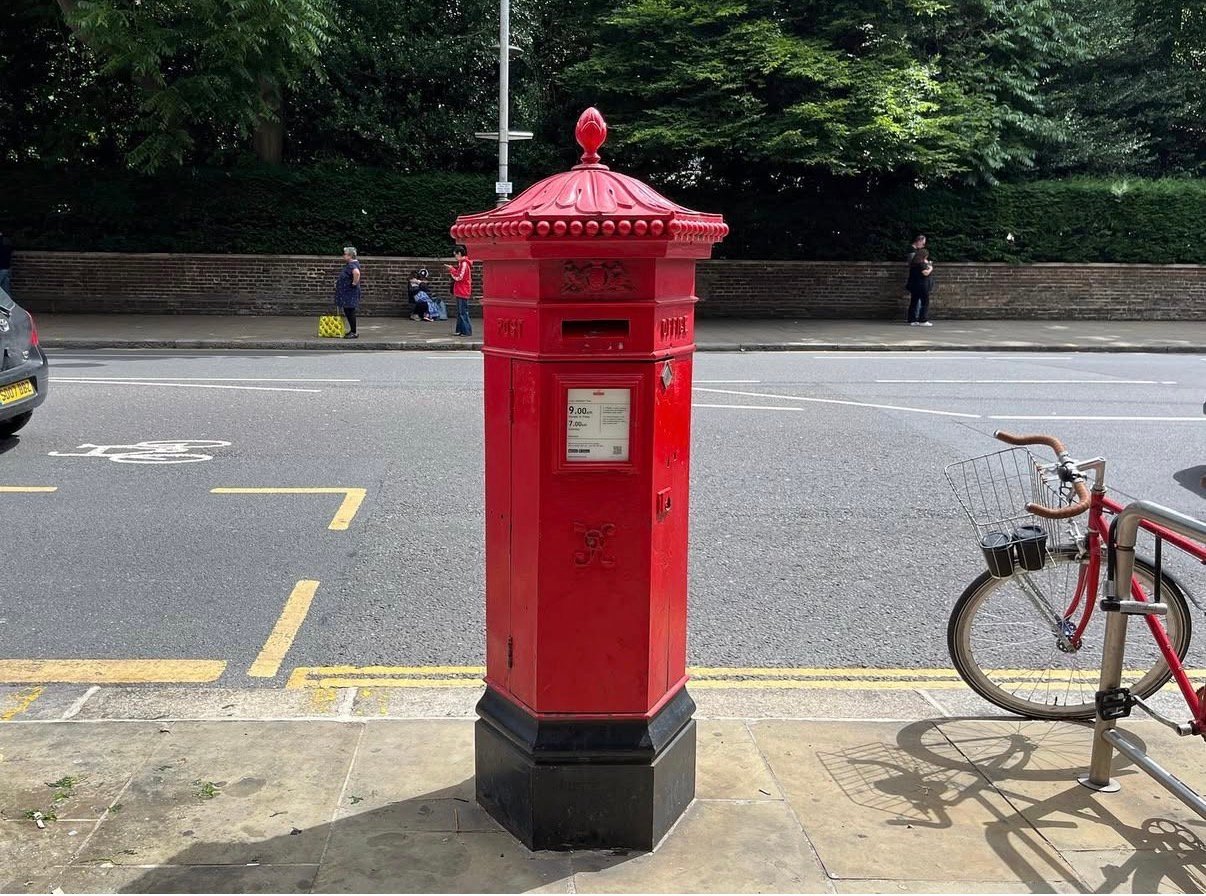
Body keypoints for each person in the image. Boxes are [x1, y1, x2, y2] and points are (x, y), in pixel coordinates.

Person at [334, 246, 362, 339]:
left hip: (350, 292)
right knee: (348, 310)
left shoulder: (351, 265)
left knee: (350, 311)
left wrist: (354, 283)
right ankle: (352, 331)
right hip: (348, 292)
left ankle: (353, 332)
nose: (343, 256)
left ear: (350, 256)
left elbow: (356, 273)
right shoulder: (352, 264)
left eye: (345, 254)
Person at [447, 244, 472, 336]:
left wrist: (452, 271)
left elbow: (459, 277)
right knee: (460, 312)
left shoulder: (464, 264)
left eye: (455, 255)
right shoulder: (462, 263)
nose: (455, 257)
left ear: (460, 253)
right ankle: (460, 330)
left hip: (462, 290)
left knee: (463, 312)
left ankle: (466, 331)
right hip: (461, 290)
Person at [906, 247, 934, 326]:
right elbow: (925, 273)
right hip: (922, 286)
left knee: (913, 302)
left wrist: (927, 264)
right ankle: (923, 320)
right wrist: (931, 268)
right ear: (924, 256)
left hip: (914, 286)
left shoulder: (913, 264)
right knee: (925, 303)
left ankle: (912, 320)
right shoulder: (920, 264)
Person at [0, 230, 13, 296]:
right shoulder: (6, 241)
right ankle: (7, 305)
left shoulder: (4, 241)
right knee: (6, 289)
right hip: (6, 267)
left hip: (2, 267)